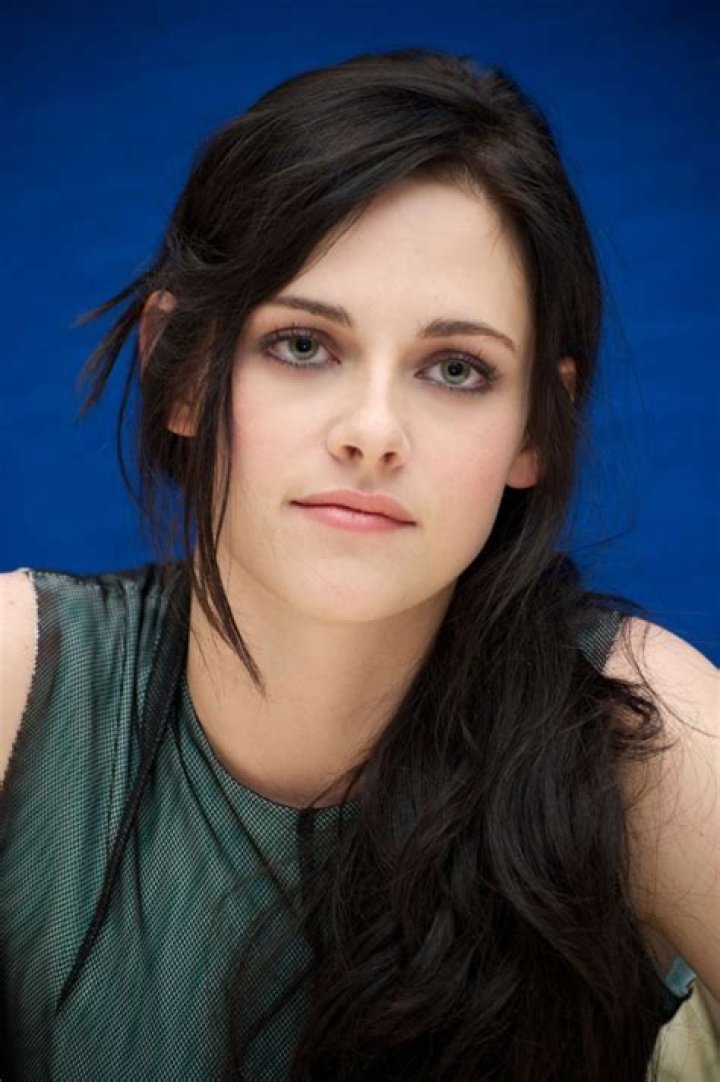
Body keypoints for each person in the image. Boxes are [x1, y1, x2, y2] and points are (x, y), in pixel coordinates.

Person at [0, 47, 717, 1082]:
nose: (373, 432)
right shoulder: (20, 682)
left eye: (456, 368)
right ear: (182, 370)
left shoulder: (638, 733)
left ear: (537, 425)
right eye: (303, 344)